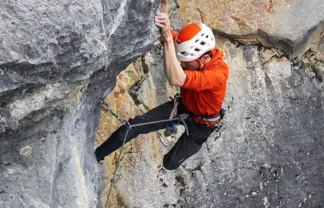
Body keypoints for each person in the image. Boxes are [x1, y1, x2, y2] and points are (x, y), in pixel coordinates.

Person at [95, 0, 229, 170]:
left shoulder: (218, 74)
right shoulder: (195, 53)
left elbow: (177, 79)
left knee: (169, 163)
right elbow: (167, 34)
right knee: (134, 126)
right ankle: (97, 155)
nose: (182, 65)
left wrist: (167, 39)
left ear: (203, 59)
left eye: (186, 63)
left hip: (202, 124)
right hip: (183, 107)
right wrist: (163, 8)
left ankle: (174, 158)